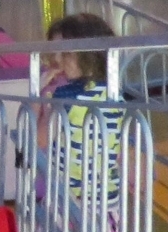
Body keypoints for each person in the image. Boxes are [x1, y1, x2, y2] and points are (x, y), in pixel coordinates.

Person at [41, 12, 123, 201]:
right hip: (107, 197)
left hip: (69, 199)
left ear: (89, 55)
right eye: (54, 52)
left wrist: (40, 93)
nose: (57, 60)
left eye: (65, 53)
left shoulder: (66, 96)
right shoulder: (114, 94)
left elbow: (39, 140)